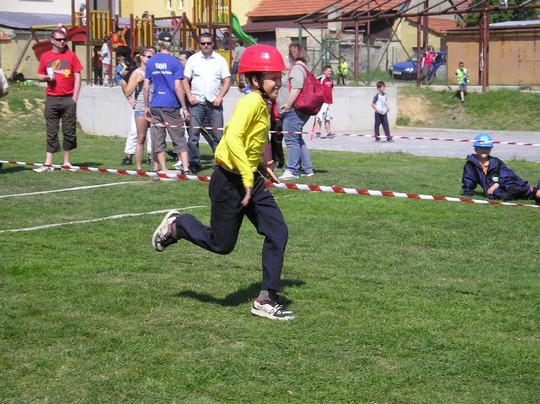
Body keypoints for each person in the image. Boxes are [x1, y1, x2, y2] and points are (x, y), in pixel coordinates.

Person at [151, 44, 295, 321]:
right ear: (255, 80)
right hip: (230, 181)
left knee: (278, 232)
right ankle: (178, 225)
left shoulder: (263, 104)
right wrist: (246, 177)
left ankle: (266, 299)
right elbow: (232, 139)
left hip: (248, 179)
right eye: (273, 77)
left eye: (279, 76)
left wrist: (262, 165)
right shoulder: (251, 101)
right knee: (221, 244)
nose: (279, 81)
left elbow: (253, 139)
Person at [34, 28, 83, 173]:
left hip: (68, 99)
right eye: (60, 39)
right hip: (52, 98)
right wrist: (47, 77)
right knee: (51, 131)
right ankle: (48, 163)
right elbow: (40, 75)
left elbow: (78, 76)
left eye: (64, 39)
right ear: (52, 41)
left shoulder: (71, 56)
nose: (63, 42)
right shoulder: (45, 56)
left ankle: (66, 162)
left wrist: (74, 98)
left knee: (69, 131)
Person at [182, 32, 232, 171]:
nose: (205, 46)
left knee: (218, 135)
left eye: (208, 43)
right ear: (199, 44)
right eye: (203, 43)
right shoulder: (193, 59)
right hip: (197, 102)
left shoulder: (220, 60)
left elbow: (227, 80)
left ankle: (220, 163)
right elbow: (185, 79)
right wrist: (190, 95)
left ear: (213, 44)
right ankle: (194, 163)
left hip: (214, 102)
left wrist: (220, 96)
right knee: (193, 135)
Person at [144, 31, 190, 174]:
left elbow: (146, 86)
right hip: (171, 104)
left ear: (159, 43)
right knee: (178, 137)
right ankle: (186, 168)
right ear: (171, 44)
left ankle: (163, 169)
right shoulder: (175, 62)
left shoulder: (151, 61)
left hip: (156, 104)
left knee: (158, 138)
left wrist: (146, 106)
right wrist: (184, 107)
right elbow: (178, 87)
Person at [462, 133, 540, 203]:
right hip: (495, 192)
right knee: (499, 194)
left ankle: (534, 191)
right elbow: (468, 179)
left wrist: (497, 183)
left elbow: (509, 175)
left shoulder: (496, 162)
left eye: (487, 148)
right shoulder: (471, 164)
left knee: (511, 188)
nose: (484, 150)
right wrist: (468, 192)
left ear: (490, 149)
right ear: (475, 148)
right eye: (481, 148)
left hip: (505, 184)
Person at [277, 43, 315, 180]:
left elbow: (297, 87)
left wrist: (288, 104)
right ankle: (307, 168)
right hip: (299, 110)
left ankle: (292, 170)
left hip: (294, 110)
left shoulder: (297, 69)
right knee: (297, 139)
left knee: (291, 140)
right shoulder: (303, 68)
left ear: (292, 54)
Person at [122, 49, 156, 170]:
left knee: (155, 137)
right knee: (141, 137)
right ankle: (139, 167)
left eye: (152, 57)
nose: (149, 59)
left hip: (155, 107)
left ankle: (155, 166)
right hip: (141, 107)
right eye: (147, 56)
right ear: (141, 57)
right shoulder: (137, 72)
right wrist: (137, 81)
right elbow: (127, 91)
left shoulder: (155, 71)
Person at [314, 65, 334, 139]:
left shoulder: (330, 79)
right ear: (325, 71)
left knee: (328, 118)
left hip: (329, 102)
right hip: (322, 102)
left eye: (330, 71)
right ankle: (318, 133)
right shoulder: (320, 79)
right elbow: (315, 88)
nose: (330, 72)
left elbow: (331, 88)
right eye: (329, 71)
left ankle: (329, 133)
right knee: (320, 117)